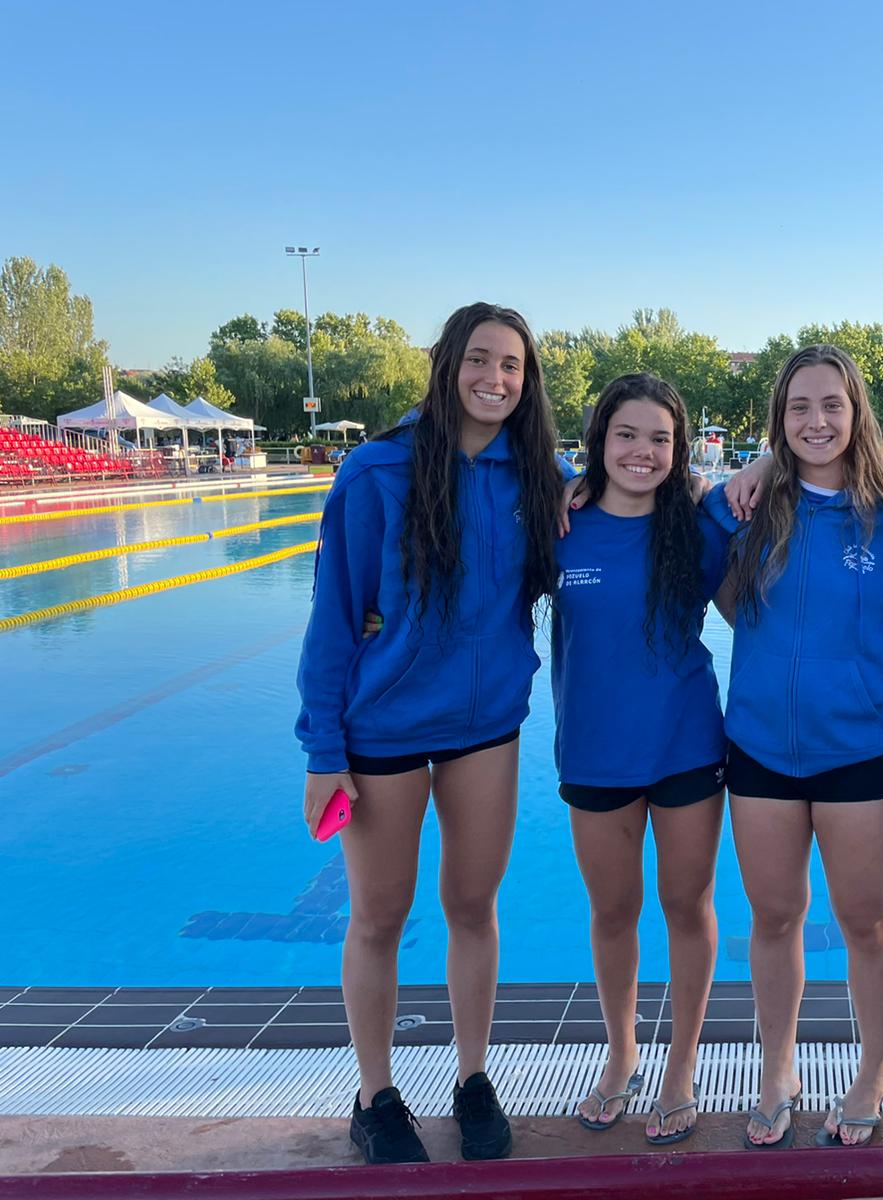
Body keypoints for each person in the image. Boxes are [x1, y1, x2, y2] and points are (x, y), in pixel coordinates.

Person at [295, 301, 568, 1166]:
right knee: (379, 916)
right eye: (480, 359)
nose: (495, 378)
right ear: (449, 365)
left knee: (474, 907)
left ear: (527, 382)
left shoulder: (539, 476)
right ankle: (374, 1096)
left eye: (512, 365)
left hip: (486, 728)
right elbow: (333, 617)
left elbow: (641, 486)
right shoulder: (378, 470)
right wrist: (323, 751)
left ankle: (473, 1077)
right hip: (384, 730)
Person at [704, 344, 883, 1151]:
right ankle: (778, 1072)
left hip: (858, 752)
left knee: (868, 923)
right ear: (779, 418)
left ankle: (873, 1073)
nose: (817, 420)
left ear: (856, 411)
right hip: (760, 749)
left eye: (832, 404)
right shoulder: (744, 507)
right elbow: (705, 579)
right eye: (799, 406)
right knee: (773, 918)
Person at [555, 374, 731, 1145]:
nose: (643, 451)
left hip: (686, 741)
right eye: (626, 434)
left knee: (687, 906)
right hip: (593, 747)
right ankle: (623, 1052)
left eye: (660, 438)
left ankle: (681, 1065)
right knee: (613, 910)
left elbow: (760, 608)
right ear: (600, 441)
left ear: (678, 449)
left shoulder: (699, 524)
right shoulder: (560, 522)